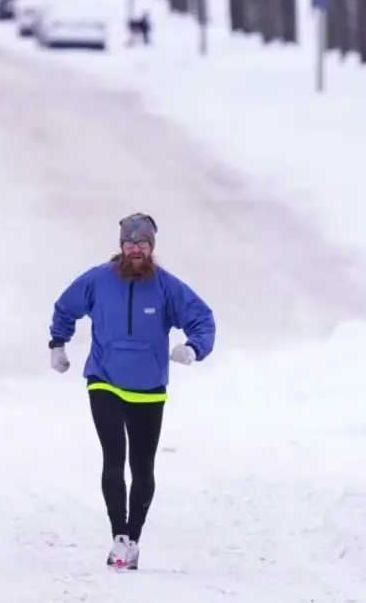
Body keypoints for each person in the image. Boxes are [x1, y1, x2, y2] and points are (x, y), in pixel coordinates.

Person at [48, 212, 216, 571]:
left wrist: (193, 348)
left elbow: (202, 318)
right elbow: (66, 307)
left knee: (142, 467)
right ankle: (118, 537)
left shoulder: (167, 287)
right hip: (104, 380)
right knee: (113, 459)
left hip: (149, 388)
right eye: (129, 243)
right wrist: (57, 343)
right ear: (121, 246)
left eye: (142, 243)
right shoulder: (98, 280)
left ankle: (134, 539)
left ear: (152, 248)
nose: (135, 249)